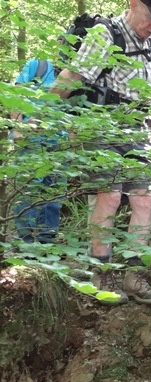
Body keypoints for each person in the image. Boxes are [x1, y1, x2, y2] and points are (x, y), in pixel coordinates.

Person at [51, 0, 151, 305]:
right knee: (109, 197)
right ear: (133, 4)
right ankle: (101, 273)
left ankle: (135, 276)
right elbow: (73, 76)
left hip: (140, 128)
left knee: (145, 201)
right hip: (103, 126)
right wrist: (43, 114)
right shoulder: (105, 34)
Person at [11, 58, 64, 244]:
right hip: (31, 137)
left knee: (54, 191)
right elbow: (17, 94)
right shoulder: (39, 65)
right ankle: (24, 240)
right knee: (28, 188)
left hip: (61, 141)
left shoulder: (81, 74)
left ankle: (47, 240)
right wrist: (18, 127)